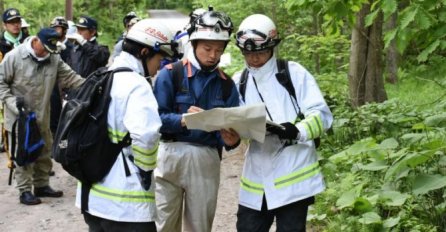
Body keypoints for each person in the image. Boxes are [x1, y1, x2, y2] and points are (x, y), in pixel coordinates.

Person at [232, 14, 334, 232]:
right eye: (248, 53)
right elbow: (235, 121)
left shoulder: (293, 73)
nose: (254, 59)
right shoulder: (239, 80)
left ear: (272, 47)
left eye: (259, 53)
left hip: (294, 179)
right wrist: (232, 135)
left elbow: (322, 115)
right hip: (257, 179)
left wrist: (298, 131)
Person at [76, 19, 179, 232]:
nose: (158, 67)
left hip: (92, 199)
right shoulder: (137, 85)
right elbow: (147, 137)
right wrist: (145, 172)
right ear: (144, 52)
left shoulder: (103, 76)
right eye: (159, 59)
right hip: (126, 205)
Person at [153, 9, 241, 232]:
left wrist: (232, 141)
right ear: (193, 44)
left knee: (200, 226)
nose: (213, 55)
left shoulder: (227, 85)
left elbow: (233, 131)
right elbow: (155, 120)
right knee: (163, 224)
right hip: (169, 155)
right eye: (207, 48)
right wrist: (184, 120)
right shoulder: (170, 74)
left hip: (206, 157)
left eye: (219, 50)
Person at [0, 27, 85, 205]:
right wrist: (11, 102)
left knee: (44, 151)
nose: (48, 52)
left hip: (43, 115)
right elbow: (1, 83)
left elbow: (71, 77)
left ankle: (42, 185)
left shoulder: (53, 58)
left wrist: (93, 85)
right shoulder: (14, 57)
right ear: (36, 41)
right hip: (19, 118)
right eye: (45, 48)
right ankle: (24, 191)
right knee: (23, 154)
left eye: (51, 50)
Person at [49, 16, 74, 138]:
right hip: (52, 86)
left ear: (64, 30)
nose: (55, 31)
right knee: (52, 115)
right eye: (53, 28)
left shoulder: (71, 47)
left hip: (66, 86)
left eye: (58, 28)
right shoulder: (49, 46)